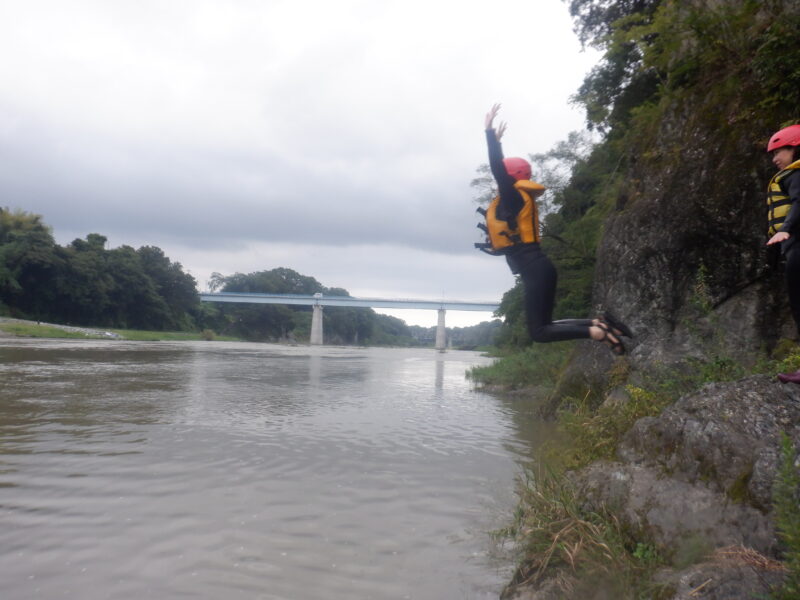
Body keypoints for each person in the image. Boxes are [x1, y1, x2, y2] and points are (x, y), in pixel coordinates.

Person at [480, 104, 633, 354]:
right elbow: (502, 172)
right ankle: (600, 324)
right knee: (545, 326)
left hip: (535, 269)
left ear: (509, 178)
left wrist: (489, 135)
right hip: (538, 268)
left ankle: (595, 333)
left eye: (503, 178)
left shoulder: (514, 197)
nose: (499, 183)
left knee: (540, 333)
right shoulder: (515, 200)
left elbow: (498, 170)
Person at [764, 124, 800, 383]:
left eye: (781, 151)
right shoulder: (790, 175)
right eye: (773, 153)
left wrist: (786, 229)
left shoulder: (795, 175)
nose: (775, 158)